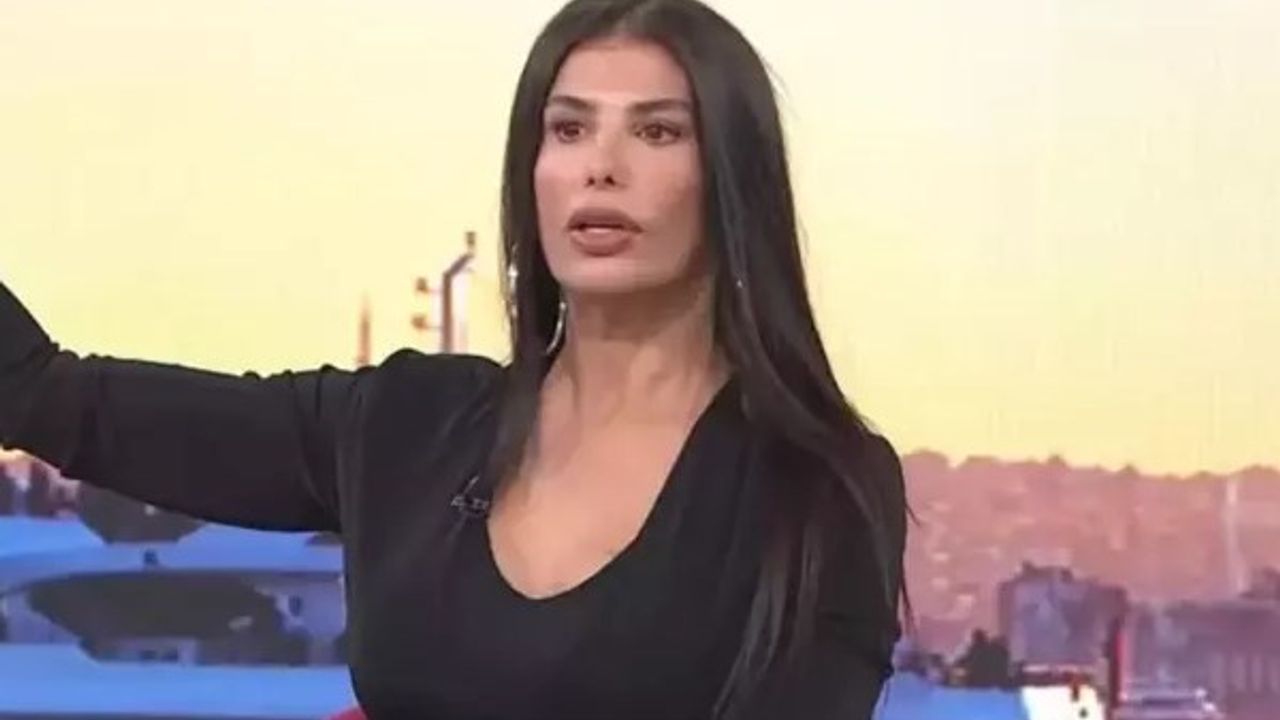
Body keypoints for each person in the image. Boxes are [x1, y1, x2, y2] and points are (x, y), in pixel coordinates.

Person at [0, 0, 908, 717]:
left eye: (658, 132)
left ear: (733, 183)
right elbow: (49, 395)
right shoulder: (407, 422)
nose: (601, 166)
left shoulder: (813, 484)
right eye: (568, 129)